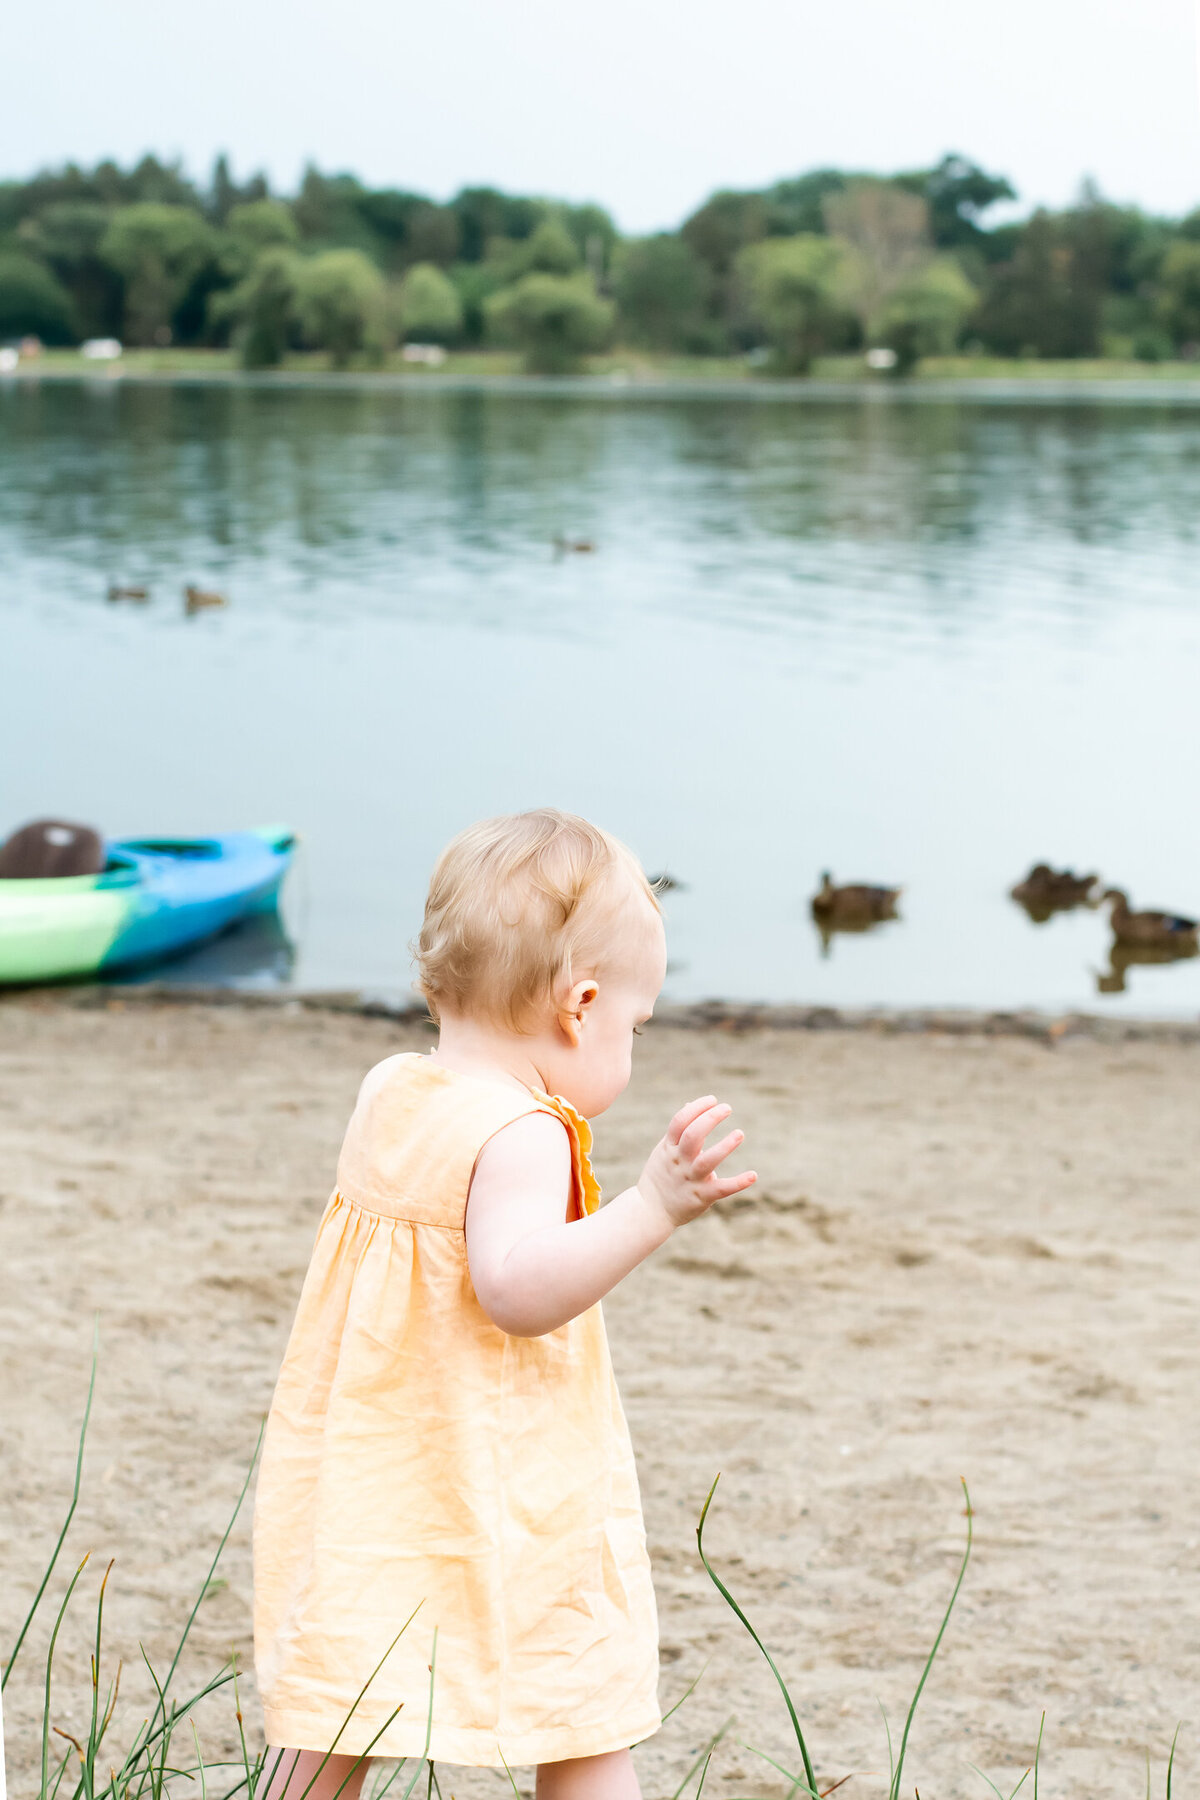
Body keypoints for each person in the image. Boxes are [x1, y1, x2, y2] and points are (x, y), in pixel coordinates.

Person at [253, 809, 756, 1800]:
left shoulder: (393, 1087)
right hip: (498, 1475)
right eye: (633, 1028)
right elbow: (517, 1291)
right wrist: (649, 1207)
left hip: (371, 1464)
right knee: (580, 1699)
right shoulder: (520, 1134)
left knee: (338, 1704)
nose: (631, 1048)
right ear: (579, 1005)